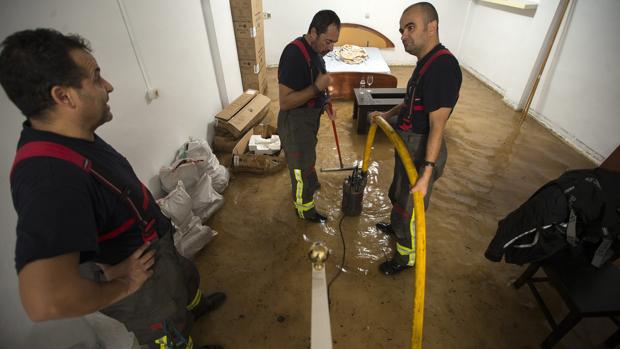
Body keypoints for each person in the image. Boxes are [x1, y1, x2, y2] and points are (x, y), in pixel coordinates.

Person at [0, 28, 225, 349]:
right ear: (64, 97)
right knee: (167, 330)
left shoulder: (69, 135)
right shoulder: (49, 179)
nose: (108, 86)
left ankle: (195, 308)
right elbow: (44, 301)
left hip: (156, 251)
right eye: (96, 78)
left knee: (186, 285)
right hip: (141, 282)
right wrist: (123, 284)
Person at [370, 2, 462, 275]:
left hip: (424, 149)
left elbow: (437, 126)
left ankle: (405, 257)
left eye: (410, 27)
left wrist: (426, 172)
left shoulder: (444, 68)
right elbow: (410, 101)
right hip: (408, 142)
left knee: (413, 207)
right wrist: (387, 115)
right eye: (401, 30)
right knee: (398, 192)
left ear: (432, 27)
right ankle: (395, 226)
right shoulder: (426, 62)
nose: (403, 35)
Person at [277, 10, 340, 223]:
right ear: (313, 32)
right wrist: (316, 88)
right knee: (300, 168)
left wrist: (326, 101)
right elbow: (285, 102)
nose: (330, 48)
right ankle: (304, 210)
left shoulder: (316, 51)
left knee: (308, 157)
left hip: (309, 118)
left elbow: (320, 80)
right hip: (294, 122)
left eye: (334, 43)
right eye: (328, 41)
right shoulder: (293, 55)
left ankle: (309, 184)